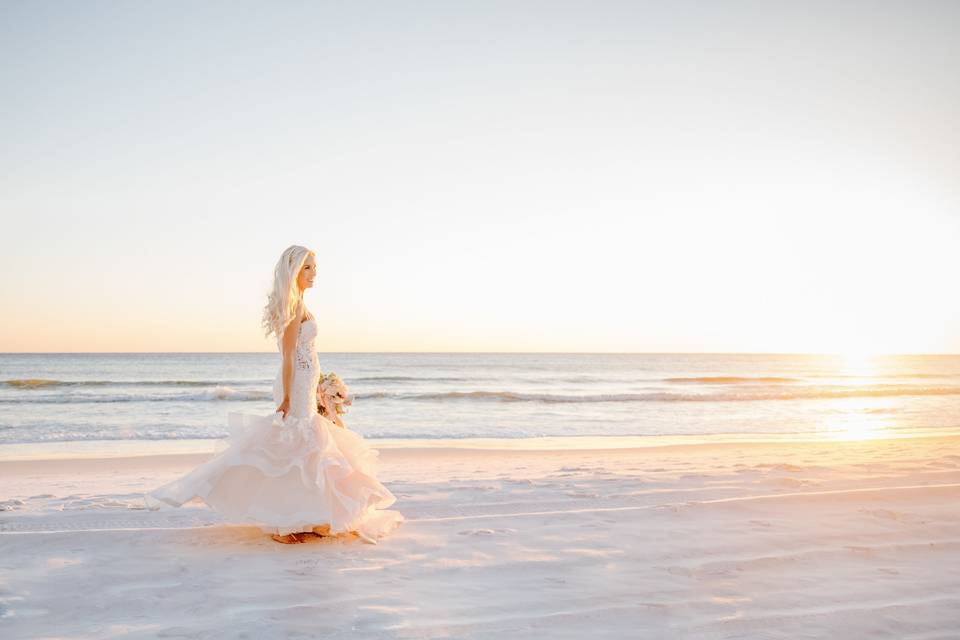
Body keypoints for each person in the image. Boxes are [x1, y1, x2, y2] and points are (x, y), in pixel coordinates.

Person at [145, 245, 404, 544]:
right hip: (295, 384)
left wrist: (321, 386)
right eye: (307, 268)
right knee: (295, 447)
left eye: (315, 267)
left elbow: (307, 353)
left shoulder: (303, 304)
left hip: (307, 383)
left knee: (307, 448)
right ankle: (284, 524)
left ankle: (310, 516)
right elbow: (289, 355)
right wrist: (287, 397)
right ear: (293, 271)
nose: (314, 273)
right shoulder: (293, 306)